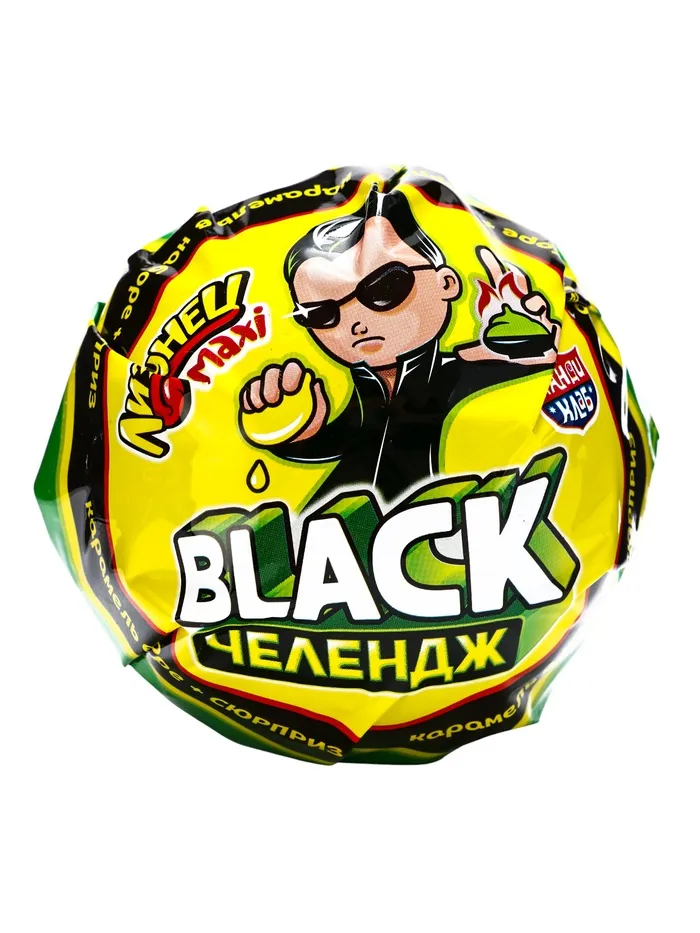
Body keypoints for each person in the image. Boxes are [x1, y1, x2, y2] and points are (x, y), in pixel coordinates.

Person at [239, 187, 559, 504]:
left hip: (458, 517)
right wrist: (303, 436)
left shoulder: (467, 373)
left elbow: (514, 381)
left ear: (446, 283)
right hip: (354, 525)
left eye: (385, 289)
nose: (356, 323)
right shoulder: (365, 394)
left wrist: (529, 349)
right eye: (323, 314)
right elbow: (355, 441)